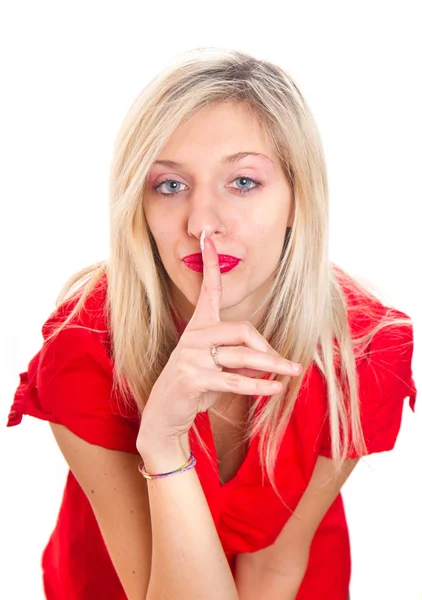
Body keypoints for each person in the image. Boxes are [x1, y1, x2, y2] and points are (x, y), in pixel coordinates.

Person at [7, 47, 416, 600]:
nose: (202, 222)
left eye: (243, 182)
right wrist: (164, 443)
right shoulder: (85, 349)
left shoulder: (358, 351)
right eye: (170, 186)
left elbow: (273, 569)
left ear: (299, 198)